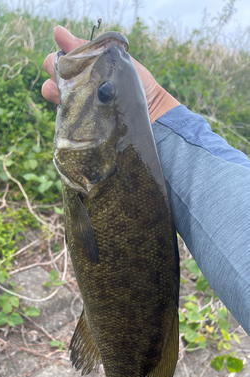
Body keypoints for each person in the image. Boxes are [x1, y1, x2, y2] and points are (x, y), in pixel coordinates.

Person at [42, 26, 250, 336]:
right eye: (106, 93)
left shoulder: (99, 172)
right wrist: (153, 111)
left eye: (104, 93)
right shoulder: (101, 169)